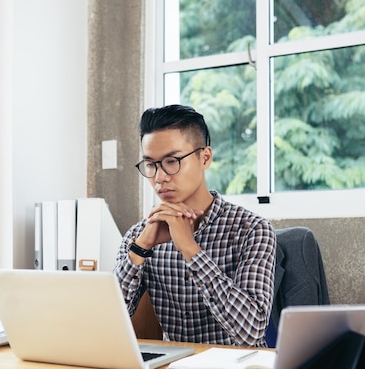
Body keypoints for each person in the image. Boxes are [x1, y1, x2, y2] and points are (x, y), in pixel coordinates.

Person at [114, 104, 276, 347]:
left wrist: (191, 250)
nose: (159, 177)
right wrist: (142, 247)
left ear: (205, 158)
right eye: (150, 164)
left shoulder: (252, 230)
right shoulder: (140, 235)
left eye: (172, 161)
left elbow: (251, 331)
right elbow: (110, 322)